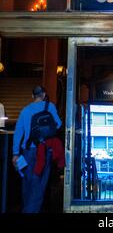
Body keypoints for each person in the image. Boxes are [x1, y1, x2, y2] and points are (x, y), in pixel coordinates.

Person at [12, 85, 62, 213]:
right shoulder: (50, 106)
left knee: (27, 183)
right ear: (44, 95)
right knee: (39, 185)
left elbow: (18, 132)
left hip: (27, 151)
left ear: (32, 96)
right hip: (44, 151)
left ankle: (27, 208)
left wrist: (15, 153)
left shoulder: (25, 110)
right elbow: (58, 124)